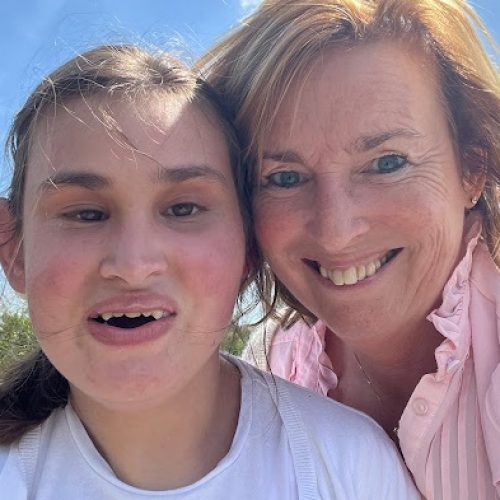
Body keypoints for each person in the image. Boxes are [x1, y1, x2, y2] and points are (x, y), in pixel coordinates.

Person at [0, 44, 418, 499]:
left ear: (249, 248)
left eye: (183, 208)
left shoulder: (352, 466)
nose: (133, 265)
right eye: (85, 214)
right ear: (14, 251)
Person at [198, 0, 500, 498]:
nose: (336, 232)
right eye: (285, 177)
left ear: (472, 170)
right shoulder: (276, 362)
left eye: (387, 163)